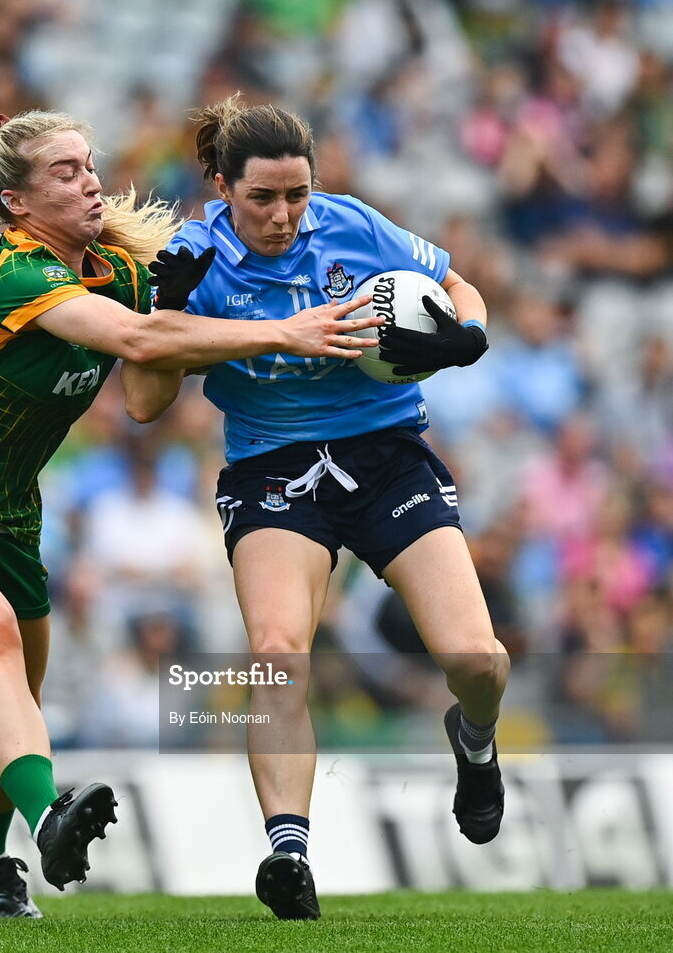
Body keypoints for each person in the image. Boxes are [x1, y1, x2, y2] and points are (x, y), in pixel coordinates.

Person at [0, 109, 381, 919]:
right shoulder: (14, 275)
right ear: (16, 204)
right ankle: (48, 814)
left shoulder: (119, 272)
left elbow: (144, 397)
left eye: (89, 165)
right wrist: (287, 332)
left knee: (9, 688)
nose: (90, 180)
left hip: (9, 521)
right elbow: (136, 341)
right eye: (63, 171)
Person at [131, 95, 510, 920]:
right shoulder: (191, 259)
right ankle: (289, 850)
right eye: (262, 198)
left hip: (388, 458)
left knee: (477, 661)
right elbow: (142, 401)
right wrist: (165, 315)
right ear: (222, 186)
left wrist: (467, 335)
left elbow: (456, 283)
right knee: (277, 650)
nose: (283, 216)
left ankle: (474, 741)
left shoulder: (350, 224)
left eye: (296, 194)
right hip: (273, 469)